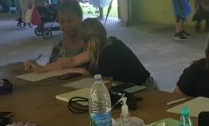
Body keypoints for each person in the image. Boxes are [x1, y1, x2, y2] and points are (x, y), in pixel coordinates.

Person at [25, 18, 157, 89]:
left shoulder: (109, 57)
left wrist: (81, 71)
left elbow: (104, 86)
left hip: (144, 90)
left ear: (83, 41)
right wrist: (41, 69)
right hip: (134, 85)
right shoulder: (110, 42)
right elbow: (71, 61)